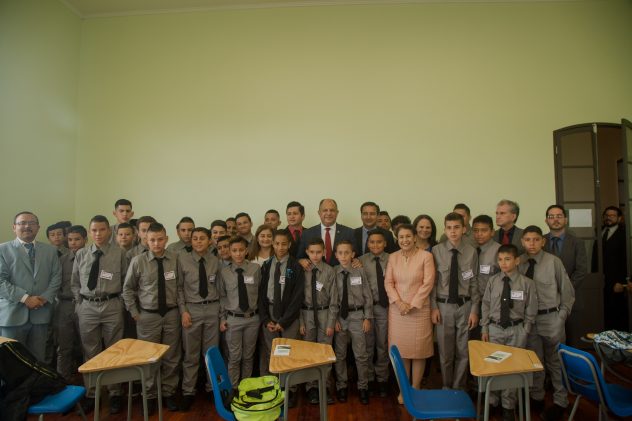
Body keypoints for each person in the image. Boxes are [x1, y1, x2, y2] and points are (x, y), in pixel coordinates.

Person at [71, 215, 128, 414]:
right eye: (94, 230)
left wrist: (120, 303)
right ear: (89, 232)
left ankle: (115, 393)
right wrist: (80, 305)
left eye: (102, 229)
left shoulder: (119, 254)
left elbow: (127, 283)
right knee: (90, 351)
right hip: (87, 307)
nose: (98, 234)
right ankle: (92, 393)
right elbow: (75, 283)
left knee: (114, 350)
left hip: (112, 305)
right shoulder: (81, 254)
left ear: (109, 231)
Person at [122, 222, 182, 414]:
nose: (156, 243)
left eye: (160, 239)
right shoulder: (138, 261)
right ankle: (150, 396)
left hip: (171, 314)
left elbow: (180, 288)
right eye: (152, 240)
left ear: (166, 239)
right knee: (149, 358)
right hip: (147, 316)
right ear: (145, 240)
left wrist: (182, 310)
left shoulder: (175, 259)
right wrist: (134, 313)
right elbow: (128, 289)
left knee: (171, 356)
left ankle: (168, 393)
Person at [519, 225, 575, 421]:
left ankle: (560, 401)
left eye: (536, 239)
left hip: (551, 318)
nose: (531, 244)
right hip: (529, 320)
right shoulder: (520, 263)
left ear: (543, 241)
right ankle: (537, 397)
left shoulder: (554, 262)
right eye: (527, 240)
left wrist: (561, 318)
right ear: (522, 242)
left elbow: (568, 294)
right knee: (535, 361)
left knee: (555, 362)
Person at [481, 244, 537, 421]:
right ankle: (492, 400)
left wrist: (525, 329)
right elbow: (486, 305)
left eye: (507, 259)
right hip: (495, 329)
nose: (503, 263)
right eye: (500, 259)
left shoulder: (527, 283)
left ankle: (508, 405)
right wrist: (484, 327)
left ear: (517, 260)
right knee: (494, 365)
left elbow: (531, 309)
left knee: (512, 369)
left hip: (516, 330)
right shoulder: (493, 281)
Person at [0, 211, 61, 363]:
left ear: (38, 227)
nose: (27, 226)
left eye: (32, 223)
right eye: (22, 223)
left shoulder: (51, 251)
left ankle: (35, 388)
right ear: (14, 227)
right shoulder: (3, 249)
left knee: (37, 360)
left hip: (41, 313)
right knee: (11, 362)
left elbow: (56, 277)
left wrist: (44, 299)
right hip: (12, 316)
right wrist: (25, 298)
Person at [385, 224, 435, 403]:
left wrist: (412, 305)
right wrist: (399, 303)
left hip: (419, 310)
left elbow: (428, 283)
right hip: (398, 311)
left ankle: (416, 387)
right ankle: (404, 390)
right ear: (397, 240)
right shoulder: (392, 257)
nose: (404, 240)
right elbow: (388, 283)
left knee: (419, 351)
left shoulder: (426, 256)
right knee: (402, 351)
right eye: (401, 237)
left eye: (408, 236)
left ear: (415, 237)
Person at [431, 212, 479, 390]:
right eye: (449, 228)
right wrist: (433, 307)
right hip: (443, 306)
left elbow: (474, 282)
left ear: (464, 229)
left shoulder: (471, 251)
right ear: (444, 229)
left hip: (465, 306)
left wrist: (475, 309)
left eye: (457, 227)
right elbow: (432, 282)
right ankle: (446, 386)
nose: (453, 231)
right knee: (445, 352)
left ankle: (459, 387)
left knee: (463, 351)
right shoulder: (436, 251)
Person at [258, 230, 305, 406]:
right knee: (270, 353)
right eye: (277, 243)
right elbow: (261, 295)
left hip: (289, 317)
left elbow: (297, 297)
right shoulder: (266, 265)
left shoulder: (295, 266)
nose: (280, 247)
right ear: (272, 243)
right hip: (269, 314)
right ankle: (272, 389)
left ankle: (289, 390)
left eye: (284, 244)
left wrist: (283, 321)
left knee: (288, 353)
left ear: (289, 245)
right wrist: (265, 319)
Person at [177, 227, 221, 410]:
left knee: (210, 352)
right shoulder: (182, 260)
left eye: (202, 238)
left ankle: (212, 389)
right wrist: (183, 311)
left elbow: (221, 287)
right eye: (195, 238)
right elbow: (178, 288)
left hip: (212, 309)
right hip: (192, 310)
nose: (198, 241)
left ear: (210, 240)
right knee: (191, 354)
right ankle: (188, 391)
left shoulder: (216, 261)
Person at [332, 240, 372, 405]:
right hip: (340, 317)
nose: (343, 256)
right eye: (340, 253)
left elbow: (368, 295)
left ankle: (363, 386)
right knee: (340, 355)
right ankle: (342, 385)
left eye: (347, 252)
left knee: (361, 354)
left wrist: (367, 317)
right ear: (336, 255)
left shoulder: (359, 271)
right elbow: (332, 299)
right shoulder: (333, 272)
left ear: (353, 254)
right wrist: (333, 319)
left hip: (357, 316)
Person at [299, 238, 338, 405]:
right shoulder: (302, 270)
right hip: (306, 315)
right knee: (308, 352)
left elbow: (334, 300)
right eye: (312, 252)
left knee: (324, 352)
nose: (315, 255)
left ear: (324, 252)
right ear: (307, 252)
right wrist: (301, 322)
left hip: (324, 313)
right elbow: (297, 299)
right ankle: (311, 388)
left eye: (319, 252)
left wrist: (330, 323)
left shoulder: (329, 271)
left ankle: (325, 386)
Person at [218, 236, 261, 387]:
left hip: (252, 319)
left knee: (249, 356)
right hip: (233, 319)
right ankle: (233, 389)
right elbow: (222, 296)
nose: (238, 254)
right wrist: (222, 318)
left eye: (241, 250)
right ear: (229, 252)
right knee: (234, 357)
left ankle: (246, 387)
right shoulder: (224, 272)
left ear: (247, 250)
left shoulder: (255, 269)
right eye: (234, 251)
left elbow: (261, 293)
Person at [543, 205, 588, 343]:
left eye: (559, 216)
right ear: (546, 221)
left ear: (565, 219)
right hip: (545, 301)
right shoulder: (540, 241)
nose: (555, 220)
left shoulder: (577, 242)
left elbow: (581, 271)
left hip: (570, 300)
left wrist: (564, 290)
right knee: (549, 341)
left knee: (572, 339)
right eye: (551, 217)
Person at [359, 230, 391, 397]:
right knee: (368, 344)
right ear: (367, 243)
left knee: (382, 344)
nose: (375, 245)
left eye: (379, 242)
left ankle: (382, 379)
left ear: (385, 243)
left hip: (386, 308)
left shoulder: (393, 259)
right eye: (372, 242)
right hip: (368, 309)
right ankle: (369, 378)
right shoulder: (361, 262)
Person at [55, 225, 86, 382]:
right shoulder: (61, 260)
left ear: (85, 240)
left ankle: (89, 385)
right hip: (65, 305)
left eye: (77, 239)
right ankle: (63, 382)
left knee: (86, 346)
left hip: (85, 306)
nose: (73, 243)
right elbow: (55, 284)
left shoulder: (91, 257)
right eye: (70, 240)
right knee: (64, 346)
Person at [593, 206, 629, 331]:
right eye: (607, 215)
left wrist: (622, 282)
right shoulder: (599, 232)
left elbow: (627, 260)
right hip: (600, 280)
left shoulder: (624, 235)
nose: (609, 218)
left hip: (616, 281)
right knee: (602, 310)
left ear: (619, 218)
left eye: (612, 215)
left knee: (617, 311)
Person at [297, 198, 355, 268]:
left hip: (342, 276)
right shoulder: (307, 234)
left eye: (332, 210)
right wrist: (301, 261)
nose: (329, 213)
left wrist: (356, 260)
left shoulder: (349, 232)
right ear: (319, 213)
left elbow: (356, 256)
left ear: (337, 212)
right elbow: (299, 257)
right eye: (325, 210)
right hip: (316, 276)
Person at [471, 214, 501, 340]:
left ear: (492, 232)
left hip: (492, 304)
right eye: (476, 230)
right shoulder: (470, 250)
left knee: (489, 340)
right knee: (472, 341)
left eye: (484, 230)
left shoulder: (499, 251)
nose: (479, 234)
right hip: (472, 302)